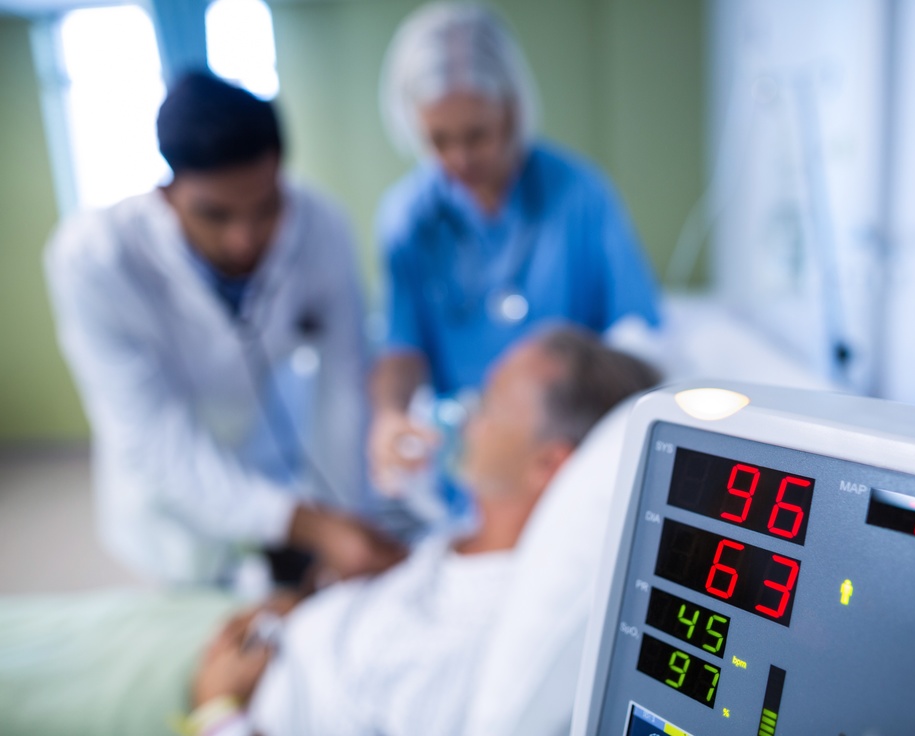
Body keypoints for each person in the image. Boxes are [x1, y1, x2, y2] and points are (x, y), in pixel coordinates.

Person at [185, 326, 661, 734]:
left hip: (229, 695)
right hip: (259, 634)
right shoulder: (459, 541)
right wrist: (303, 603)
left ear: (547, 464)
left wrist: (217, 711)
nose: (465, 417)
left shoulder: (478, 641)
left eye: (489, 407)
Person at [44, 71, 402, 588]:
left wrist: (343, 514)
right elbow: (154, 436)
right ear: (166, 194)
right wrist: (312, 525)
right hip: (164, 498)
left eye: (265, 208)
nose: (244, 240)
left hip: (270, 457)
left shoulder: (322, 225)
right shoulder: (95, 260)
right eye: (215, 215)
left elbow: (344, 384)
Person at [369, 2, 663, 497]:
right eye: (439, 140)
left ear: (512, 109)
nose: (459, 159)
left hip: (569, 462)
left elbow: (638, 339)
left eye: (476, 136)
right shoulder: (408, 220)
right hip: (471, 468)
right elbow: (402, 347)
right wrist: (389, 416)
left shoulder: (581, 196)